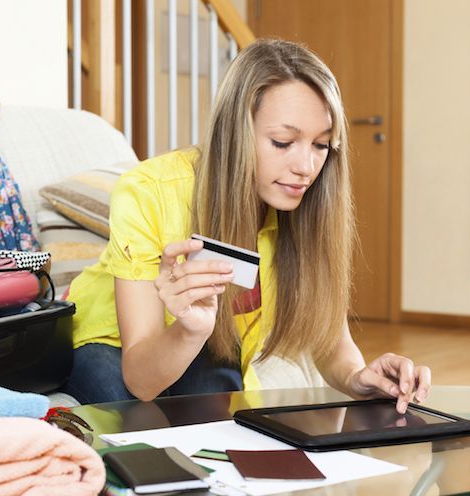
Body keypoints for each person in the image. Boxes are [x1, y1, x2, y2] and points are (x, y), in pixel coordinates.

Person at [63, 39, 431, 413]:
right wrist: (190, 329)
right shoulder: (147, 191)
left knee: (225, 417)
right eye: (283, 142)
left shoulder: (305, 210)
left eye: (321, 145)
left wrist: (358, 377)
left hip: (206, 337)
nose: (306, 166)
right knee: (130, 416)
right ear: (235, 133)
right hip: (108, 342)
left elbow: (330, 341)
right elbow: (140, 379)